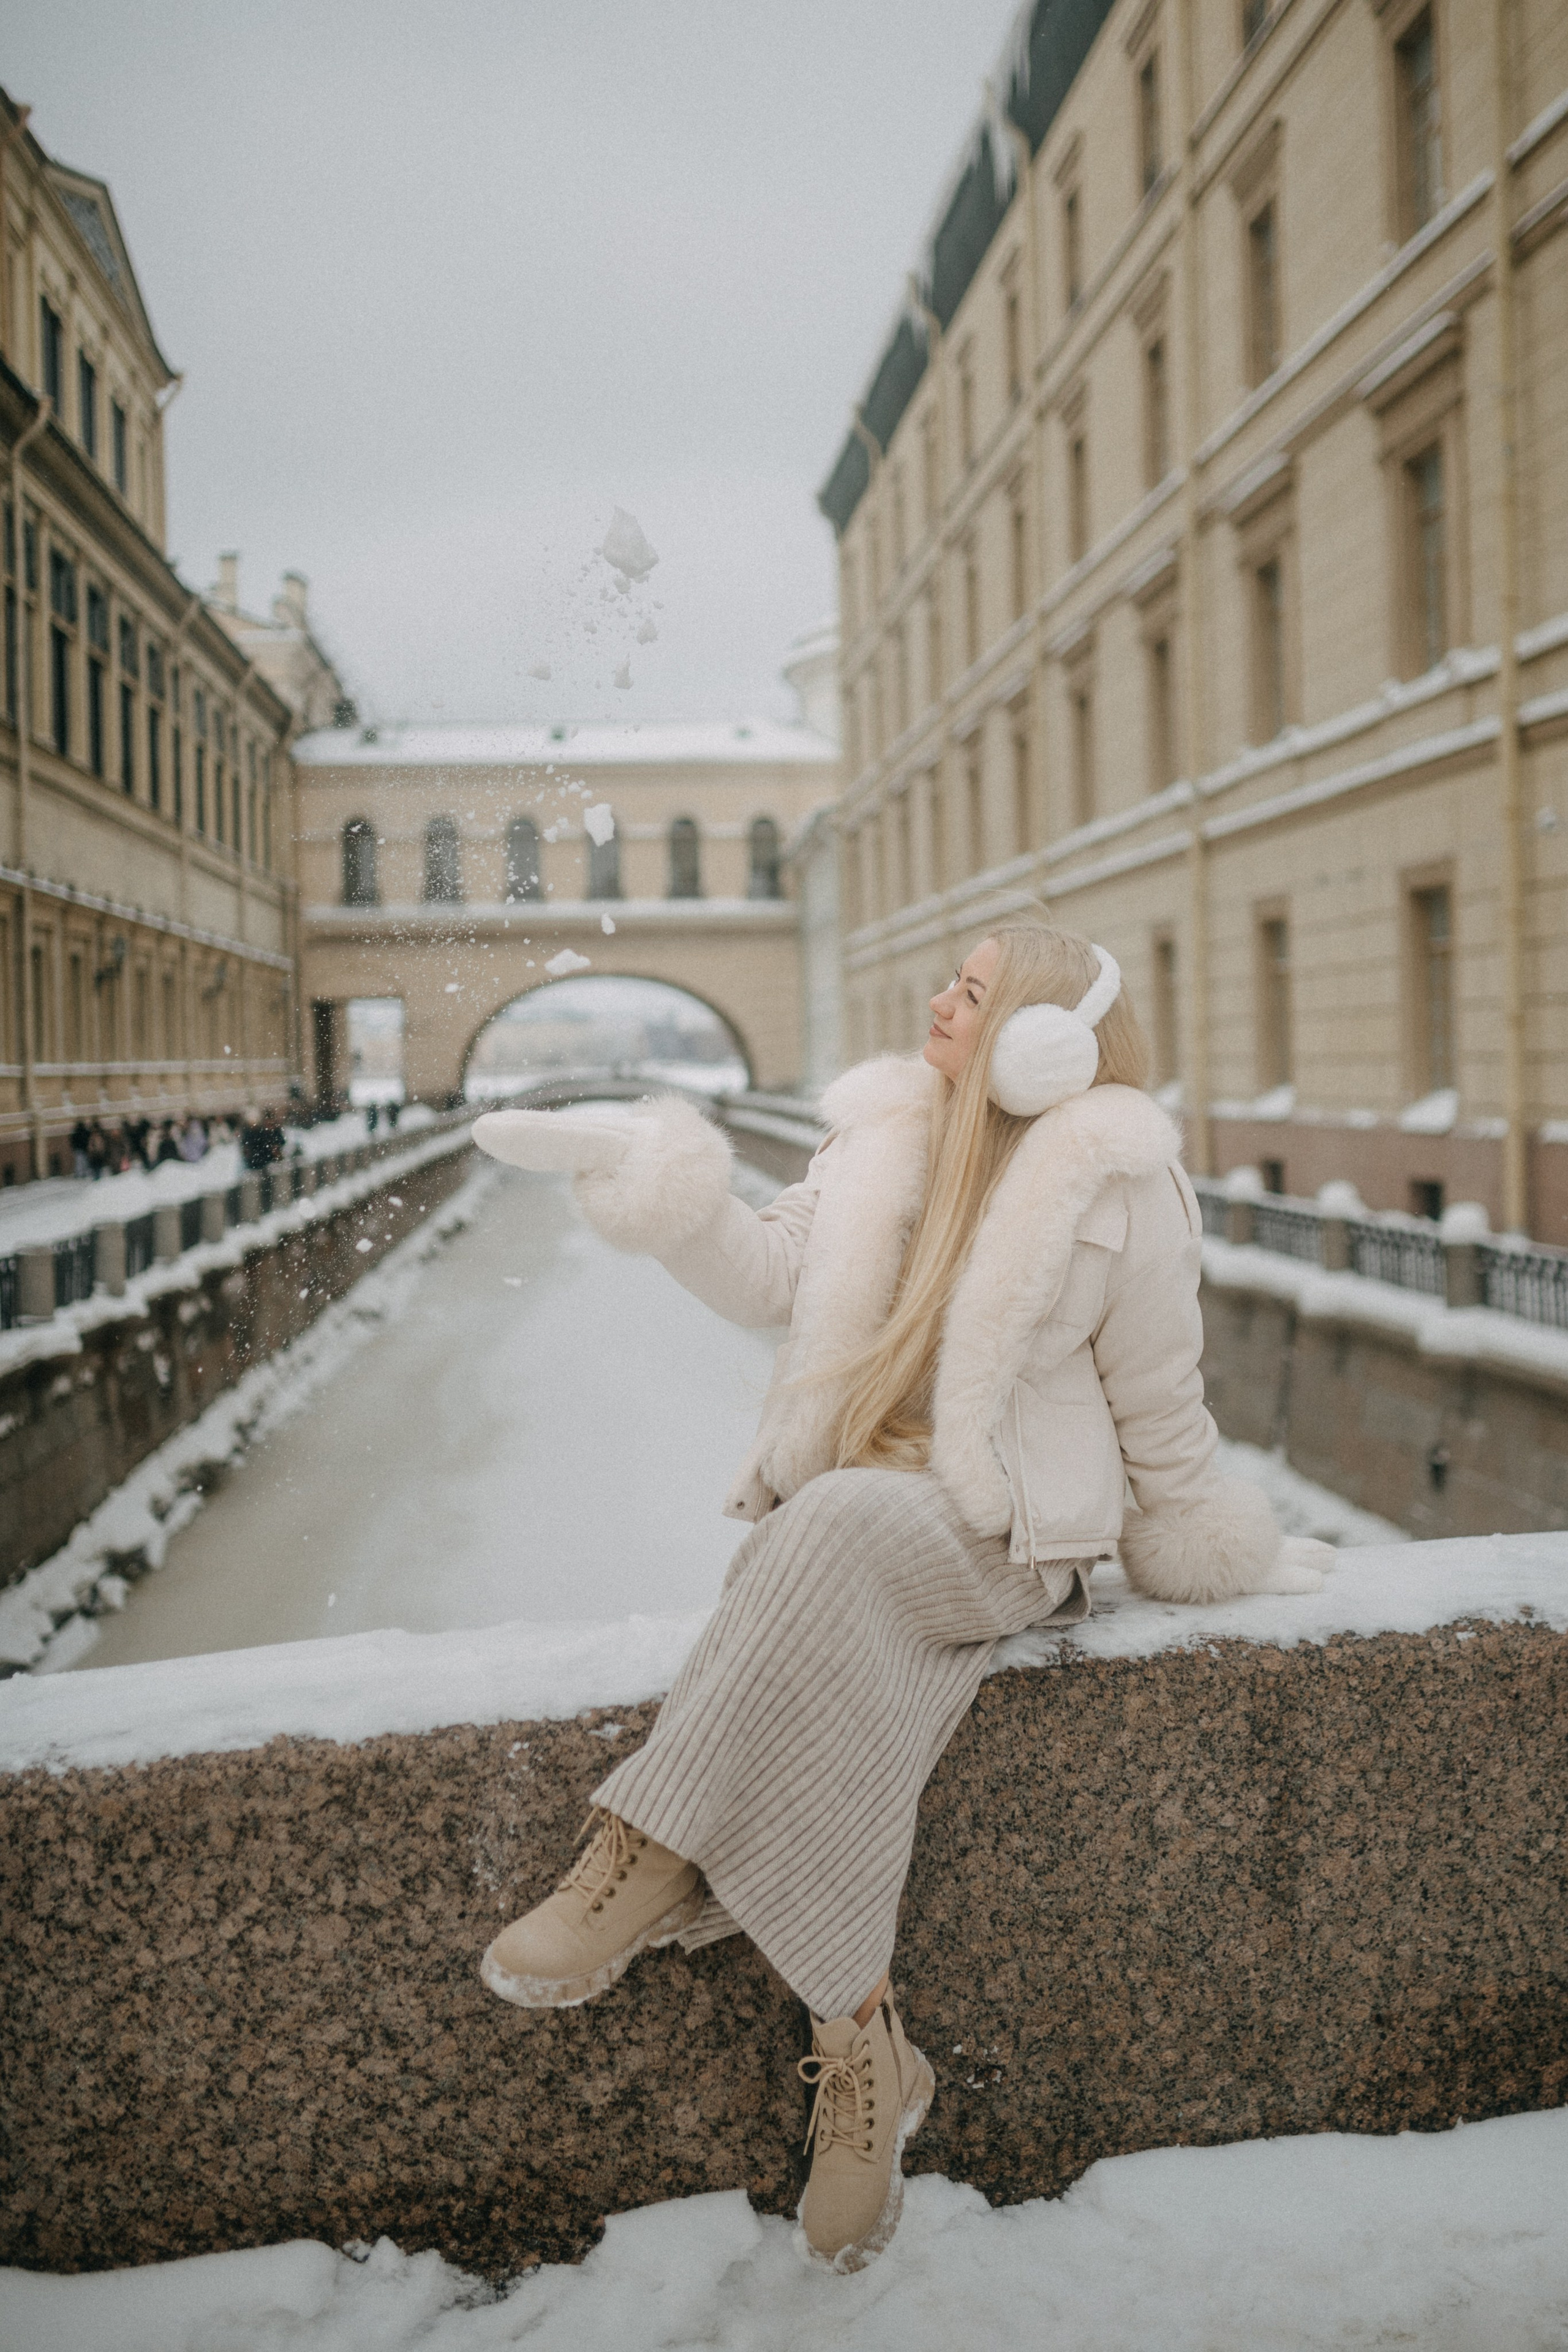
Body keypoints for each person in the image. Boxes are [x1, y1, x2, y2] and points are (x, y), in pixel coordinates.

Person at [471, 923, 1329, 2272]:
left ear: (1045, 1036)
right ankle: (859, 2040)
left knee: (826, 1527)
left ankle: (641, 1852)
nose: (939, 1002)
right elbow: (767, 1277)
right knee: (840, 1627)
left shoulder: (1119, 1187)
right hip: (856, 1521)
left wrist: (1213, 1538)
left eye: (971, 992)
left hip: (1006, 1528)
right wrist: (656, 1186)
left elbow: (1159, 1396)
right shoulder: (877, 1136)